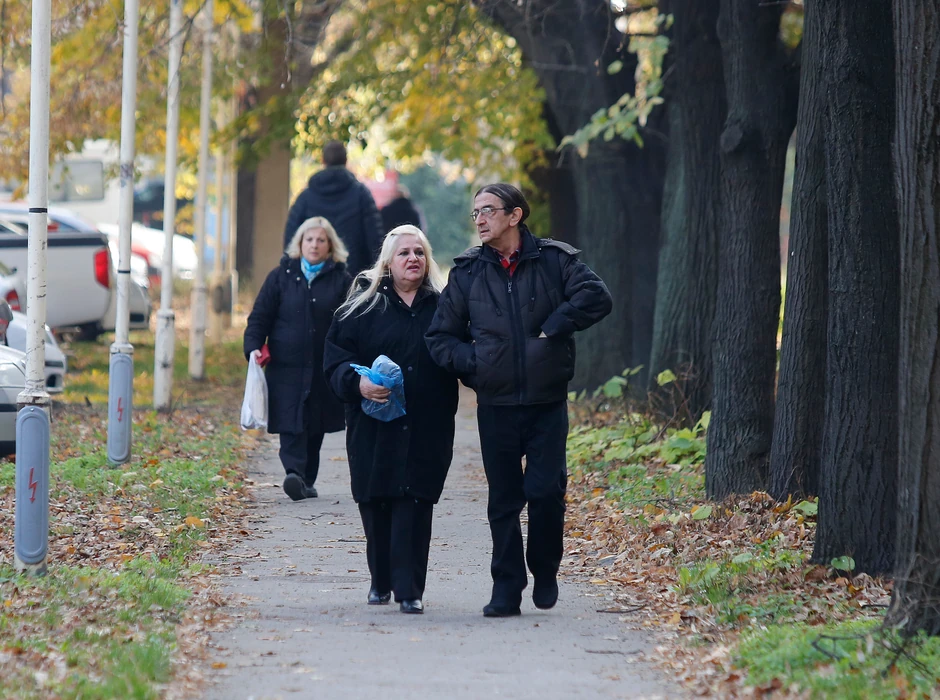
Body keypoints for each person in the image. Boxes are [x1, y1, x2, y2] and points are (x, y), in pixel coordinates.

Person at [426, 183, 612, 618]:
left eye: (488, 211)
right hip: (497, 405)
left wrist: (555, 325)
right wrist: (476, 364)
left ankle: (545, 570)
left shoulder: (553, 260)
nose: (479, 220)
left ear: (515, 215)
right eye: (475, 213)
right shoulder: (468, 273)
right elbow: (439, 337)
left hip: (547, 402)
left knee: (547, 492)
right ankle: (507, 586)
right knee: (504, 499)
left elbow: (596, 297)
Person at [324, 225, 458, 614]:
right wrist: (358, 384)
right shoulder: (361, 307)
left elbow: (460, 352)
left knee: (416, 503)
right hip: (373, 425)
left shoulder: (444, 306)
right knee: (377, 501)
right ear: (387, 263)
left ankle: (410, 589)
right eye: (404, 253)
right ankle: (381, 579)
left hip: (427, 422)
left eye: (419, 252)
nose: (413, 258)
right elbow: (333, 361)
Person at [244, 217, 352, 501]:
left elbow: (352, 321)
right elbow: (259, 317)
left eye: (320, 240)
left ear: (330, 246)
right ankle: (294, 473)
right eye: (309, 239)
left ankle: (306, 479)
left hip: (322, 366)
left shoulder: (341, 279)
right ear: (299, 244)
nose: (314, 245)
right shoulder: (280, 276)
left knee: (314, 425)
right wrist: (253, 345)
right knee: (291, 421)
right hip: (285, 367)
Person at [283, 141, 384, 278]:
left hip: (312, 276)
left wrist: (290, 271)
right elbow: (374, 238)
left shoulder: (305, 197)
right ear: (346, 160)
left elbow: (291, 236)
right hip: (354, 273)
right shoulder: (361, 194)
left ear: (323, 160)